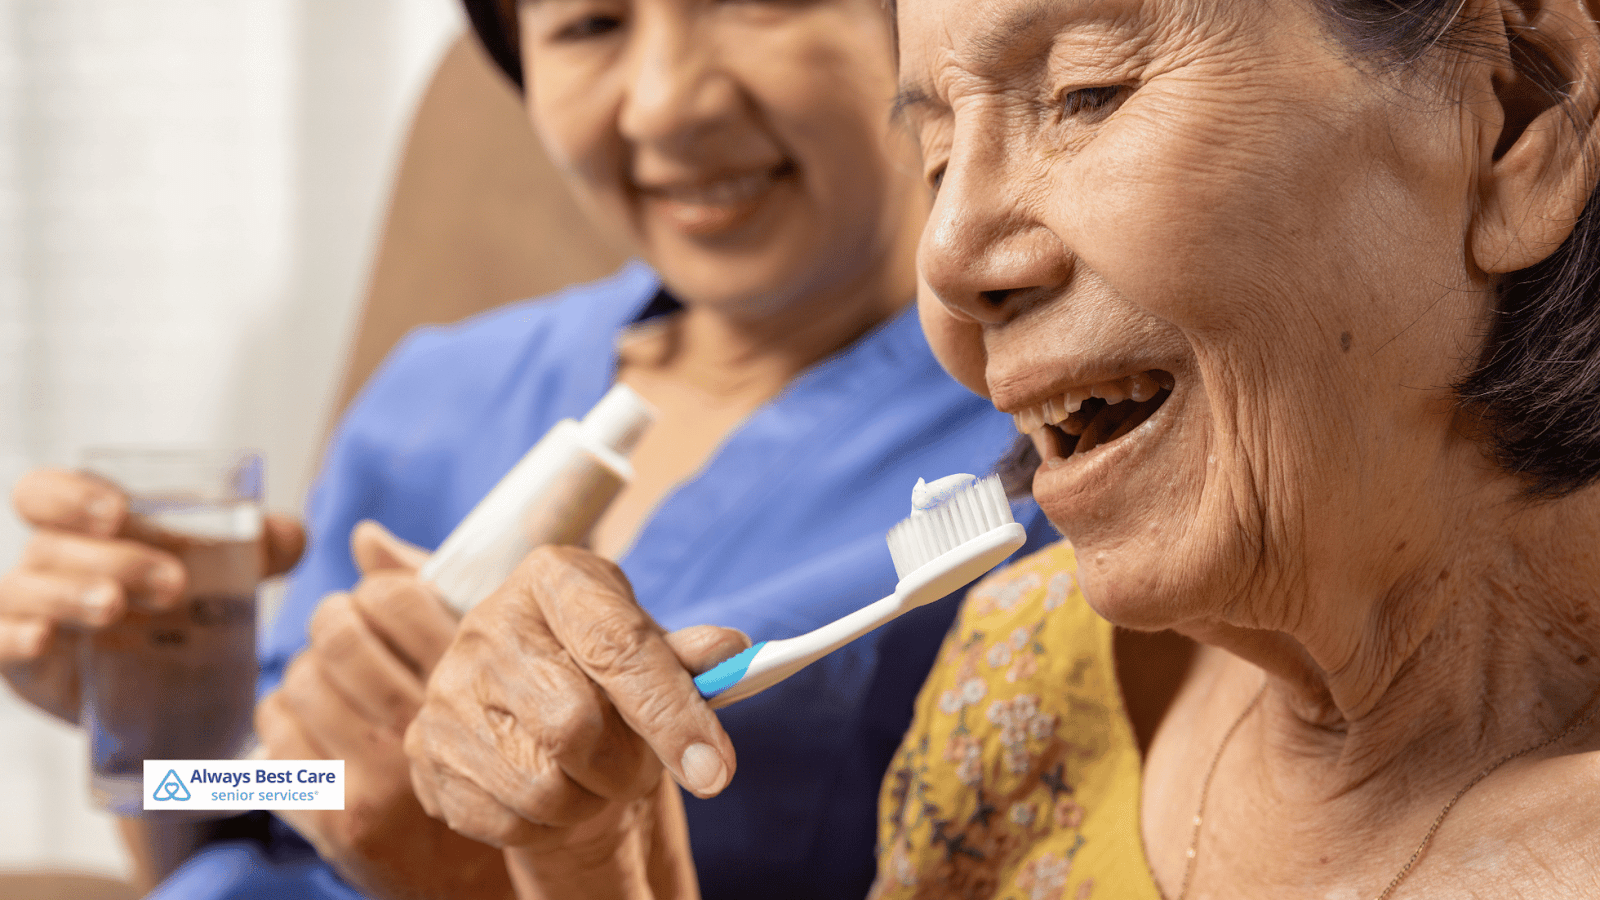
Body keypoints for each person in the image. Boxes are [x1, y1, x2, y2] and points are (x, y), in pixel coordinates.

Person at [403, 0, 1600, 896]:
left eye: (1087, 91)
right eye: (932, 159)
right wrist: (574, 848)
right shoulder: (1020, 672)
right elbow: (225, 778)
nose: (949, 260)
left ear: (1512, 118)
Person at [0, 0, 1048, 897]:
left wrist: (482, 872)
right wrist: (148, 725)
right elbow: (279, 795)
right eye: (588, 23)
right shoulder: (437, 392)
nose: (667, 102)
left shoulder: (1045, 430)